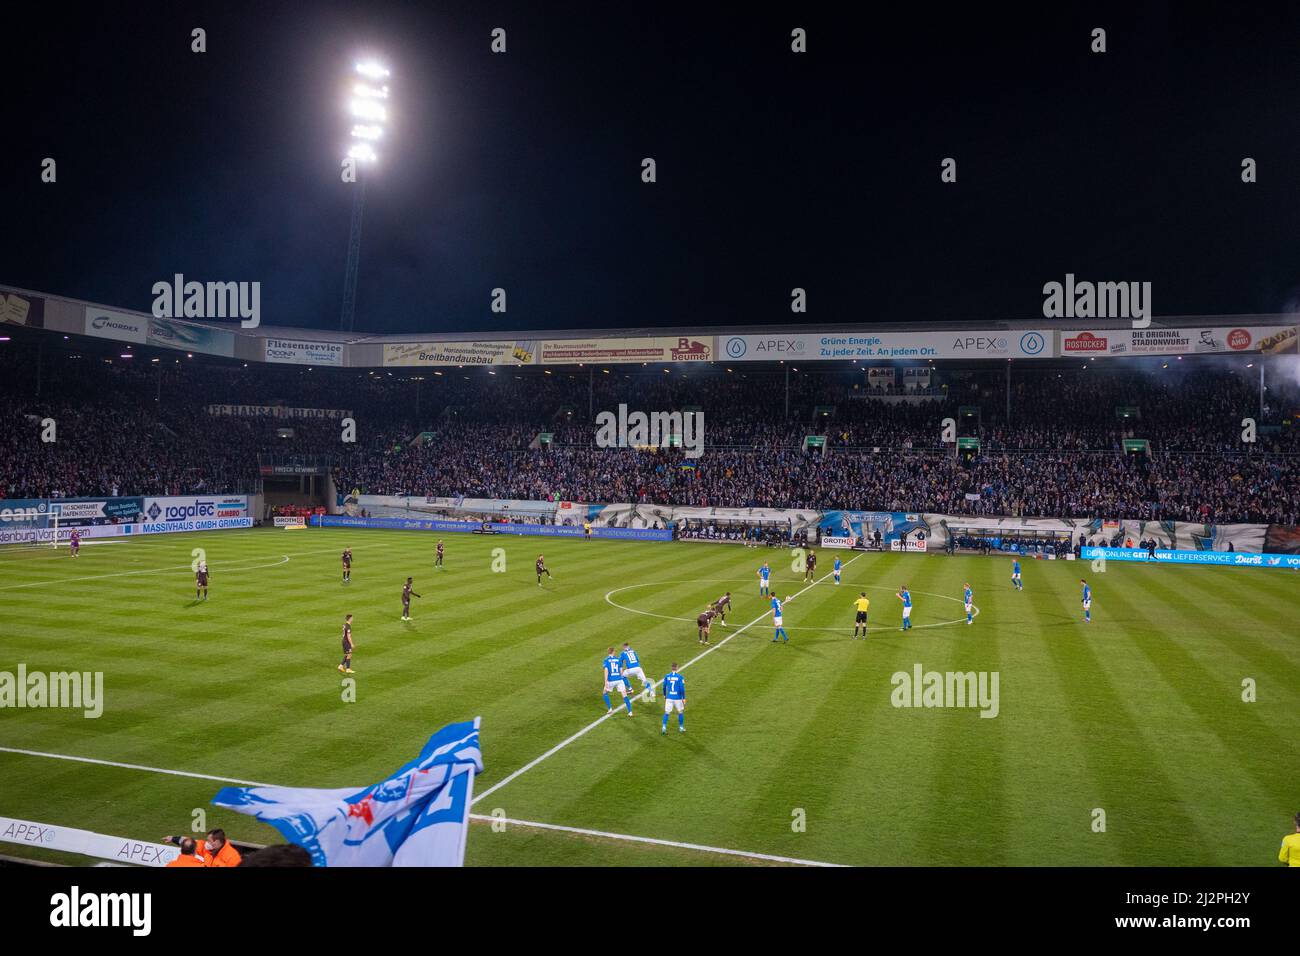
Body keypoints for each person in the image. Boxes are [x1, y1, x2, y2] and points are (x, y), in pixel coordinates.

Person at [602, 647, 633, 716]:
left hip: (611, 681)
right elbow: (621, 671)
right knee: (624, 695)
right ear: (613, 652)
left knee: (604, 693)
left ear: (608, 652)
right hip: (619, 680)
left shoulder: (606, 660)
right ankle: (630, 712)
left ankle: (610, 708)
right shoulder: (618, 659)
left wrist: (605, 681)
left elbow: (606, 671)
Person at [661, 663, 685, 735]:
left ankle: (664, 727)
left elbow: (664, 686)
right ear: (677, 668)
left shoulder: (667, 676)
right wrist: (683, 698)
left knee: (667, 713)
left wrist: (665, 695)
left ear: (671, 668)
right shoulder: (680, 677)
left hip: (669, 697)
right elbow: (682, 688)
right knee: (680, 712)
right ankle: (681, 727)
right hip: (677, 698)